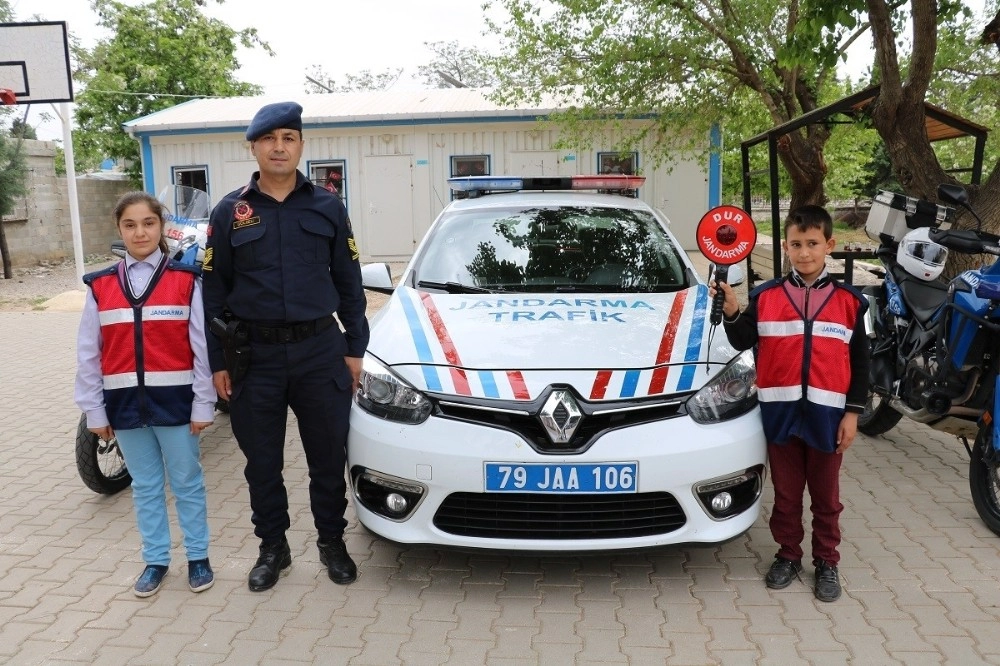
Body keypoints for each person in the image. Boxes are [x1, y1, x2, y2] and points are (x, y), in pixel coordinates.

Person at [201, 101, 369, 591]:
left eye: (289, 138)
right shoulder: (230, 211)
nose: (279, 147)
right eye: (269, 139)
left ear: (300, 145)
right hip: (255, 357)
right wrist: (218, 362)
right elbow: (213, 291)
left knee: (326, 456)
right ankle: (273, 547)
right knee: (262, 463)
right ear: (253, 146)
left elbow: (349, 281)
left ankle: (331, 542)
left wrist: (356, 348)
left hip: (321, 351)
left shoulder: (328, 206)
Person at [710, 205, 869, 602]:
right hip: (779, 415)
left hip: (828, 417)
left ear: (829, 245)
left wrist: (853, 412)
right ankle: (788, 555)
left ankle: (827, 562)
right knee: (786, 494)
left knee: (827, 497)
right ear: (785, 246)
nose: (804, 253)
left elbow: (863, 364)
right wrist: (732, 309)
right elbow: (743, 340)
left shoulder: (851, 303)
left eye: (813, 244)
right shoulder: (766, 297)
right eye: (796, 244)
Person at [75, 191, 215, 598]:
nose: (140, 232)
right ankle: (155, 559)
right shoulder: (100, 287)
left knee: (187, 482)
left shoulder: (186, 281)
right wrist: (94, 412)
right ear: (119, 229)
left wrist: (203, 402)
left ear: (162, 227)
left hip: (176, 405)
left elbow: (201, 349)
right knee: (146, 486)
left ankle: (198, 556)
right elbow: (89, 353)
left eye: (149, 223)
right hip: (124, 408)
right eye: (130, 225)